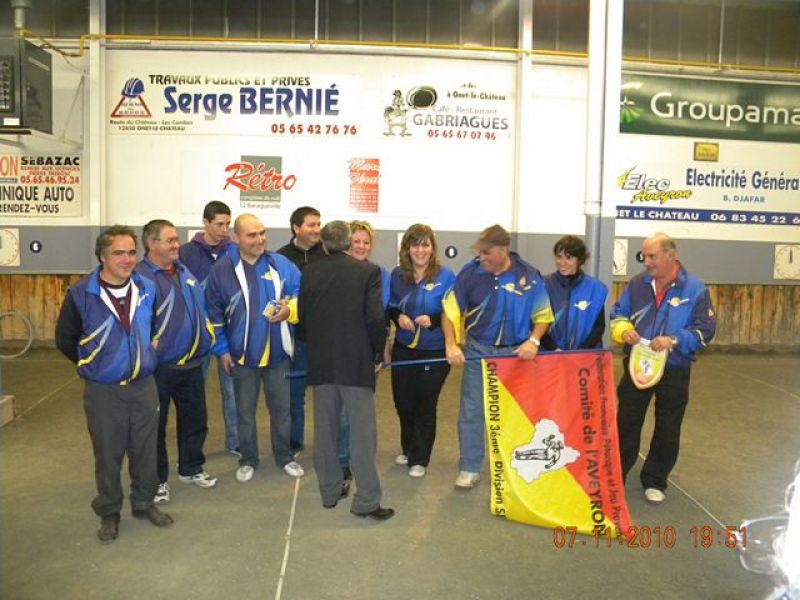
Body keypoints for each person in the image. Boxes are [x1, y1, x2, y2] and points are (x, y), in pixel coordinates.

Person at [55, 225, 173, 544]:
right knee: (108, 453)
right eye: (119, 253)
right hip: (103, 391)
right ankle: (109, 510)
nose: (127, 259)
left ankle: (144, 503)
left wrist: (148, 352)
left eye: (132, 252)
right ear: (102, 257)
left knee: (146, 449)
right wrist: (95, 365)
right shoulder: (81, 294)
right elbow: (65, 339)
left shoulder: (147, 288)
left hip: (144, 385)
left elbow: (156, 325)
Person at [442, 224, 553, 490]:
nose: (481, 257)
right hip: (478, 351)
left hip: (515, 355)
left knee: (515, 414)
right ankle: (469, 467)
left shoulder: (529, 275)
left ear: (503, 250)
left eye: (487, 253)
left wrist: (534, 341)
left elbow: (543, 315)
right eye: (480, 252)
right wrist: (451, 344)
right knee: (472, 411)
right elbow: (449, 309)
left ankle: (513, 469)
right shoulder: (470, 273)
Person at [298, 221, 394, 521]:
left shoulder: (310, 271)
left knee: (325, 431)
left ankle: (329, 492)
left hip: (322, 362)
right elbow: (375, 319)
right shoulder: (368, 272)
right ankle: (366, 501)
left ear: (324, 244)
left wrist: (317, 345)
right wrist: (378, 352)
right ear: (348, 241)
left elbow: (303, 317)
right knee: (362, 435)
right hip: (356, 364)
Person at [611, 233, 716, 505]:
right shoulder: (637, 284)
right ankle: (615, 477)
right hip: (637, 363)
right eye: (644, 256)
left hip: (675, 367)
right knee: (626, 421)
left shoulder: (695, 289)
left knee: (668, 427)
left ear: (671, 255)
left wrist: (674, 340)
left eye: (652, 256)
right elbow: (618, 314)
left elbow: (705, 330)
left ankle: (655, 480)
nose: (646, 262)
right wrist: (624, 331)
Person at [205, 214, 305, 482]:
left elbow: (302, 296)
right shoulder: (222, 270)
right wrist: (222, 349)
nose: (260, 239)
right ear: (236, 238)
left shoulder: (281, 264)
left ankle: (284, 456)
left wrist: (290, 310)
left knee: (282, 411)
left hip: (278, 356)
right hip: (241, 358)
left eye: (262, 233)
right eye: (252, 235)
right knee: (244, 413)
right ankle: (248, 459)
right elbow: (213, 313)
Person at [136, 219, 217, 505]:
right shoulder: (140, 278)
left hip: (192, 364)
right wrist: (147, 345)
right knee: (154, 428)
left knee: (196, 420)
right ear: (152, 243)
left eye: (176, 239)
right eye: (170, 240)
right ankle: (157, 480)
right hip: (158, 369)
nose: (176, 245)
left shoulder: (184, 271)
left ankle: (191, 468)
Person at [387, 224, 455, 478]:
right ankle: (408, 448)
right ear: (406, 249)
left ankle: (420, 458)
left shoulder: (446, 276)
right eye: (415, 245)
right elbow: (391, 307)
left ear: (432, 248)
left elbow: (452, 312)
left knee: (425, 403)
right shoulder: (397, 275)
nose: (420, 250)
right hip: (404, 349)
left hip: (434, 350)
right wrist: (399, 317)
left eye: (425, 245)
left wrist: (433, 319)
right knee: (403, 402)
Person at [179, 201, 239, 457]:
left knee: (233, 391)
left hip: (229, 331)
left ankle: (236, 442)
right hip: (198, 334)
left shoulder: (235, 251)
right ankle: (193, 449)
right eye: (219, 224)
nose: (225, 230)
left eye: (228, 224)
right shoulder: (185, 253)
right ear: (205, 222)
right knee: (194, 394)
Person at [276, 206, 325, 456]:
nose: (317, 229)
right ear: (296, 228)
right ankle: (294, 440)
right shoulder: (280, 258)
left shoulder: (328, 254)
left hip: (326, 338)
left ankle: (329, 442)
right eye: (311, 225)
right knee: (295, 394)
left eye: (318, 224)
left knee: (328, 394)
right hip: (297, 338)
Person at [541, 235, 607, 351]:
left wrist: (581, 352)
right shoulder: (544, 285)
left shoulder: (595, 288)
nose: (562, 262)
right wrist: (553, 349)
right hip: (550, 354)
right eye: (559, 257)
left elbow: (599, 326)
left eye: (569, 257)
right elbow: (537, 322)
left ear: (579, 260)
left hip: (584, 354)